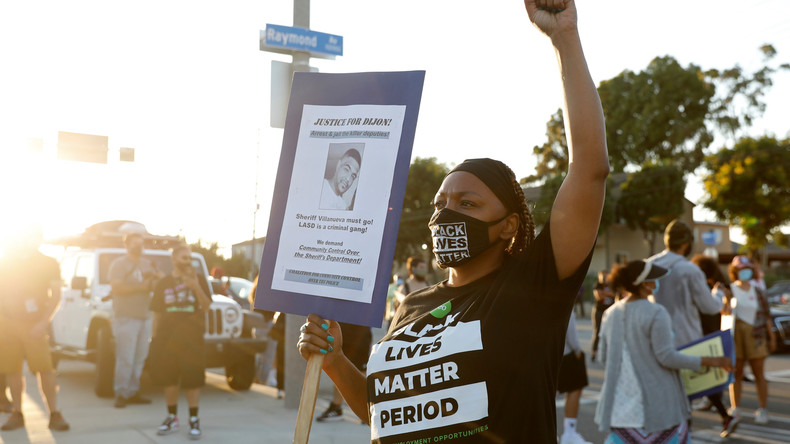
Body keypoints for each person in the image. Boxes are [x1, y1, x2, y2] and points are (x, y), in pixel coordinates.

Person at [298, 3, 610, 442]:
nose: (446, 213)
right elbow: (383, 411)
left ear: (509, 226)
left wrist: (564, 40)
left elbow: (590, 168)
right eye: (441, 202)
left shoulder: (532, 289)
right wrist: (335, 362)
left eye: (468, 203)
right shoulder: (410, 307)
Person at [594, 260, 733, 442]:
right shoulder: (656, 312)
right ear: (644, 285)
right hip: (657, 408)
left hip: (620, 410)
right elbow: (667, 357)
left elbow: (603, 357)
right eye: (653, 280)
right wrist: (711, 360)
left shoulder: (610, 313)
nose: (656, 284)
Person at [0, 225, 70, 431]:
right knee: (12, 370)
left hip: (34, 324)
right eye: (24, 235)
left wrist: (43, 322)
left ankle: (54, 413)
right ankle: (17, 413)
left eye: (33, 236)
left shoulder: (48, 263)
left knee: (45, 369)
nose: (28, 240)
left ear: (39, 239)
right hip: (8, 324)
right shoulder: (7, 261)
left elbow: (56, 295)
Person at [149, 245, 212, 440]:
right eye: (183, 257)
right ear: (174, 259)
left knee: (193, 380)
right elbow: (157, 313)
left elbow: (207, 306)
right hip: (167, 339)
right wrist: (154, 339)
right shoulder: (163, 283)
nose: (187, 261)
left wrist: (194, 286)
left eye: (189, 258)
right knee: (169, 379)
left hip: (192, 339)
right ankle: (172, 417)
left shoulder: (199, 280)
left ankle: (194, 419)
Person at [647, 219, 723, 347]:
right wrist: (719, 293)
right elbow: (710, 307)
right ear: (686, 244)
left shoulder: (648, 266)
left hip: (655, 341)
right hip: (686, 341)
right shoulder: (690, 270)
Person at [108, 230, 162, 408]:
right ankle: (121, 392)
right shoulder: (119, 264)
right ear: (126, 245)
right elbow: (117, 288)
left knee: (140, 357)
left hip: (146, 315)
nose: (139, 246)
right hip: (126, 316)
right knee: (126, 357)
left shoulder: (148, 264)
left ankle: (133, 390)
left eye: (141, 243)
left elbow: (154, 286)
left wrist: (157, 280)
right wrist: (141, 287)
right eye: (135, 243)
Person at [689, 254, 740, 437]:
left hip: (704, 336)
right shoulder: (712, 286)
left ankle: (684, 428)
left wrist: (720, 297)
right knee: (704, 378)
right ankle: (723, 414)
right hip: (710, 336)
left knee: (694, 379)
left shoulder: (710, 288)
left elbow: (719, 309)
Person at [726, 255, 776, 425]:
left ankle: (762, 409)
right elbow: (723, 313)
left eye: (747, 269)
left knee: (759, 373)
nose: (744, 272)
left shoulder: (758, 291)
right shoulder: (729, 290)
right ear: (735, 271)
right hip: (736, 336)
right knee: (736, 373)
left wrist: (772, 336)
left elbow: (767, 316)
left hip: (756, 334)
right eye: (740, 269)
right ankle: (735, 408)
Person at [316, 322, 372, 422]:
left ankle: (367, 409)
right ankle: (336, 407)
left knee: (361, 368)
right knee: (339, 366)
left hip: (361, 329)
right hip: (343, 329)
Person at [558, 313, 591, 444]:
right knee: (575, 388)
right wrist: (577, 350)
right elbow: (569, 329)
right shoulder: (563, 297)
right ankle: (569, 433)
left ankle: (556, 433)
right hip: (566, 352)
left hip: (546, 354)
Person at [591, 269, 615, 362]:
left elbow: (615, 294)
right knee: (597, 332)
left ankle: (608, 354)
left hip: (609, 312)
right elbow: (599, 296)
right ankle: (594, 353)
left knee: (610, 332)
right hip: (599, 311)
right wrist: (609, 294)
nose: (604, 278)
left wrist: (604, 293)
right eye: (603, 276)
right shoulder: (598, 285)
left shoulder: (611, 285)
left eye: (606, 276)